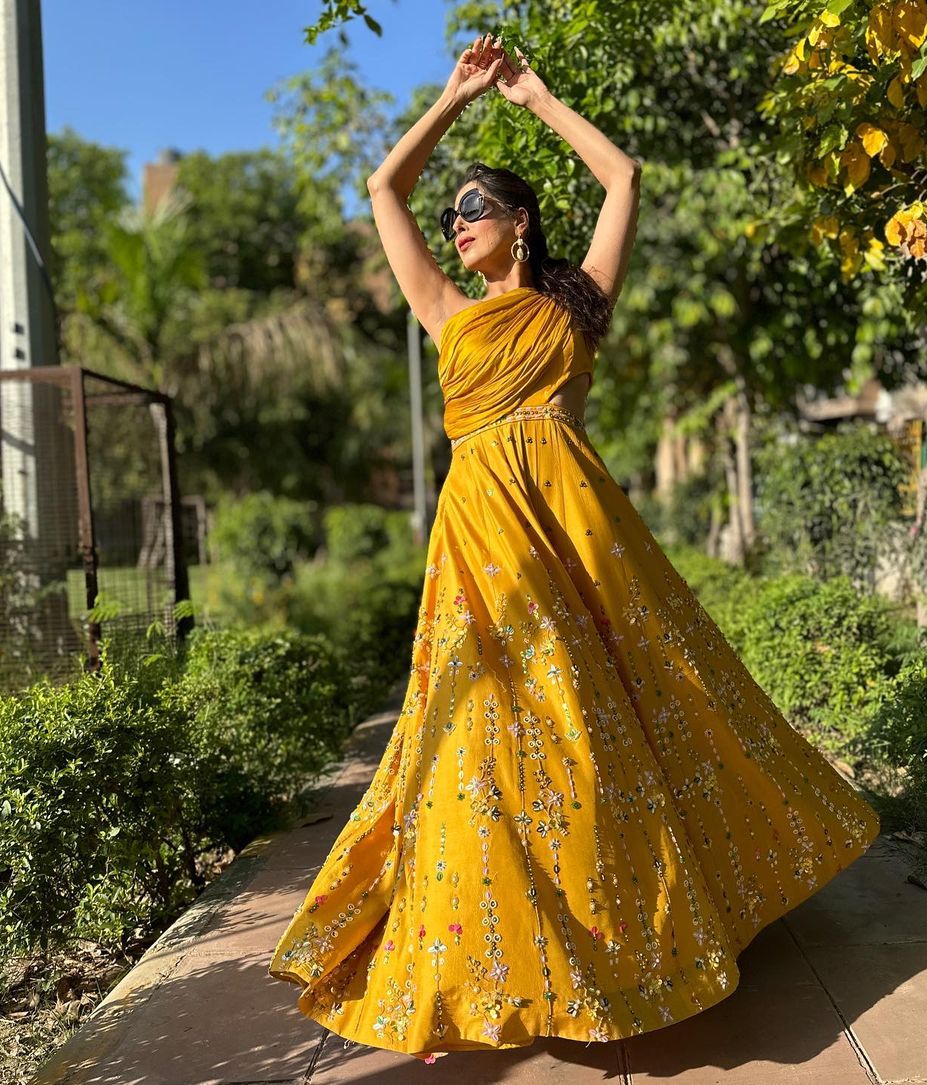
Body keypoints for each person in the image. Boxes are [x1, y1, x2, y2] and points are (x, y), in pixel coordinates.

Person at [268, 33, 880, 1064]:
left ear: (520, 222)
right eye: (450, 213)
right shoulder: (445, 313)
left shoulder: (575, 304)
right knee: (476, 752)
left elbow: (624, 174)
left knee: (610, 730)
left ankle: (646, 940)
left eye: (475, 209)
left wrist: (537, 96)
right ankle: (469, 970)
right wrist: (455, 98)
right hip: (481, 546)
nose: (454, 224)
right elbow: (382, 184)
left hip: (580, 538)